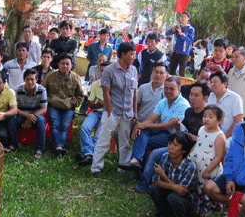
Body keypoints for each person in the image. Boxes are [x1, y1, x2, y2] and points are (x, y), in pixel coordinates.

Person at [134, 81, 209, 194]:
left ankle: (145, 182)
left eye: (196, 95)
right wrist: (179, 126)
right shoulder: (189, 111)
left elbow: (210, 137)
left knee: (155, 153)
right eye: (191, 94)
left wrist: (191, 137)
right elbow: (181, 132)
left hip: (193, 148)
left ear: (205, 98)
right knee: (143, 136)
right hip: (180, 142)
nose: (192, 98)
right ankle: (141, 171)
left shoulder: (208, 114)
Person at [119, 76, 190, 171]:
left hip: (174, 135)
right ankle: (135, 161)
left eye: (171, 89)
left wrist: (144, 125)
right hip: (161, 132)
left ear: (179, 89)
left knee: (144, 142)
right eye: (166, 88)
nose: (168, 91)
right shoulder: (163, 102)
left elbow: (168, 125)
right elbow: (150, 120)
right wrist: (140, 126)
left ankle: (143, 171)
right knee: (142, 132)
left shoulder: (183, 104)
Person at [90, 43, 139, 177]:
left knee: (125, 142)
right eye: (131, 54)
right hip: (113, 112)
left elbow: (135, 93)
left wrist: (135, 112)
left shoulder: (134, 70)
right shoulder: (109, 70)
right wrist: (110, 112)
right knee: (103, 140)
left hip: (127, 113)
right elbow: (106, 93)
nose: (133, 56)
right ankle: (96, 168)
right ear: (123, 54)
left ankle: (122, 166)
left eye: (134, 54)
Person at [148, 132, 198, 217]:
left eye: (175, 145)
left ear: (184, 150)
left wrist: (163, 176)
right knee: (153, 189)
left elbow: (183, 192)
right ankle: (164, 213)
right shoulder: (165, 157)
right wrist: (175, 187)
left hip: (187, 201)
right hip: (172, 193)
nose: (170, 148)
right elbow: (156, 181)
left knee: (174, 197)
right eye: (169, 144)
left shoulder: (190, 166)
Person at [42, 53, 84, 157]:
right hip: (53, 105)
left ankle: (59, 146)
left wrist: (72, 103)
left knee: (65, 126)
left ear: (71, 65)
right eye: (63, 63)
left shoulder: (75, 78)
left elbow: (80, 96)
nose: (65, 66)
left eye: (67, 64)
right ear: (59, 64)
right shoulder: (51, 75)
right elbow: (42, 91)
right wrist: (48, 101)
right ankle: (59, 146)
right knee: (55, 123)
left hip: (68, 107)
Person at [189, 105, 225, 214]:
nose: (206, 119)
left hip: (208, 165)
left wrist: (208, 170)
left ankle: (208, 207)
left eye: (210, 117)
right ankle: (197, 204)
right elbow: (197, 143)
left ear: (219, 120)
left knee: (204, 186)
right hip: (197, 160)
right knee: (196, 184)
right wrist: (190, 155)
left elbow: (219, 156)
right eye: (204, 116)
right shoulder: (201, 129)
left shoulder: (219, 136)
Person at [77, 60, 110, 165]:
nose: (103, 74)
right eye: (101, 71)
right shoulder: (96, 84)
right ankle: (90, 154)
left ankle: (87, 154)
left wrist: (104, 104)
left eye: (106, 71)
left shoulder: (116, 85)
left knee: (98, 135)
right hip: (96, 112)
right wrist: (100, 104)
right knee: (84, 128)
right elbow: (90, 104)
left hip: (108, 114)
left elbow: (116, 105)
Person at [11, 68, 48, 159]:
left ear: (37, 80)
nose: (30, 82)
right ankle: (13, 144)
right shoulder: (18, 89)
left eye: (32, 79)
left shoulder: (42, 90)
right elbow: (15, 108)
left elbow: (44, 109)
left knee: (41, 120)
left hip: (36, 116)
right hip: (23, 115)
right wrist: (27, 116)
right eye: (28, 79)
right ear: (24, 79)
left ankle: (40, 148)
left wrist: (31, 117)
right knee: (11, 118)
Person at [207, 71, 243, 138]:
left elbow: (238, 121)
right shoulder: (210, 96)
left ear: (225, 84)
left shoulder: (235, 98)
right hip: (212, 134)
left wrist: (224, 137)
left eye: (215, 82)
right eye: (211, 82)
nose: (212, 84)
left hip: (231, 136)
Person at [165, 11, 195, 76]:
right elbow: (167, 34)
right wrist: (172, 30)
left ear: (188, 18)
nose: (183, 18)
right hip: (176, 51)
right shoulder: (178, 26)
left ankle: (181, 85)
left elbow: (190, 41)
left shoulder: (190, 29)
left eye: (185, 17)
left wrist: (182, 34)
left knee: (182, 72)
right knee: (171, 70)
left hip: (184, 52)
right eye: (182, 16)